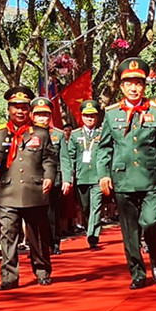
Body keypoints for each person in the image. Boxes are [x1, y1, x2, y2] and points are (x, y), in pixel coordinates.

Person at [97, 58, 156, 289]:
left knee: (151, 222)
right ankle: (138, 273)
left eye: (138, 83)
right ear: (121, 87)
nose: (134, 88)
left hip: (150, 179)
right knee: (130, 231)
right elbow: (104, 148)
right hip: (123, 181)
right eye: (129, 83)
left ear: (144, 86)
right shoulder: (111, 114)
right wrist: (104, 174)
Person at [0, 86, 57, 291]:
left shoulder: (41, 133)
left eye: (24, 107)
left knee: (37, 237)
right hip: (8, 193)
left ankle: (42, 271)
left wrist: (49, 177)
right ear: (9, 109)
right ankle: (9, 276)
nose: (20, 112)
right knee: (8, 236)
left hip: (35, 192)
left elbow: (49, 159)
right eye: (16, 107)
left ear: (29, 111)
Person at [30, 97, 71, 256]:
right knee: (34, 215)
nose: (42, 118)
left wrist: (66, 179)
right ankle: (37, 245)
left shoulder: (58, 135)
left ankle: (54, 242)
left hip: (53, 181)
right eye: (39, 115)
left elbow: (64, 159)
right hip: (33, 182)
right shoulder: (27, 134)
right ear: (33, 116)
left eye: (45, 115)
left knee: (51, 214)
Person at [64, 100, 104, 249]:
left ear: (97, 117)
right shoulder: (75, 135)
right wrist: (69, 176)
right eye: (87, 116)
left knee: (96, 207)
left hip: (98, 176)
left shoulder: (102, 133)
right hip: (82, 177)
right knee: (85, 208)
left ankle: (93, 236)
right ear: (82, 117)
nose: (90, 119)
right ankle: (89, 228)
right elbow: (70, 156)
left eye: (93, 116)